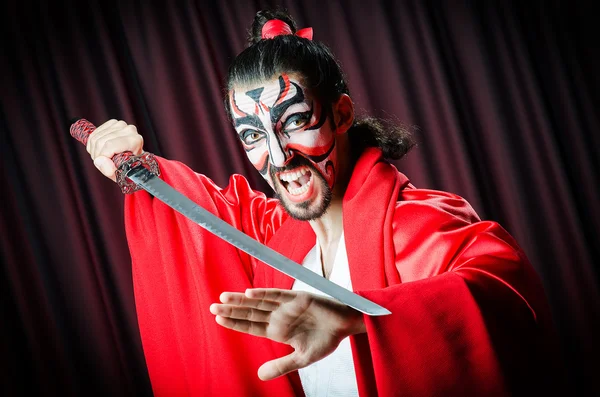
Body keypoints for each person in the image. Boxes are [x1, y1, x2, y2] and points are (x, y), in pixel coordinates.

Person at [86, 9, 563, 397]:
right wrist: (137, 165)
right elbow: (202, 214)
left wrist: (365, 317)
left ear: (341, 114)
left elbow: (503, 292)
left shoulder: (416, 224)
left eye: (294, 121)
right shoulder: (272, 236)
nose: (278, 157)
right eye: (253, 134)